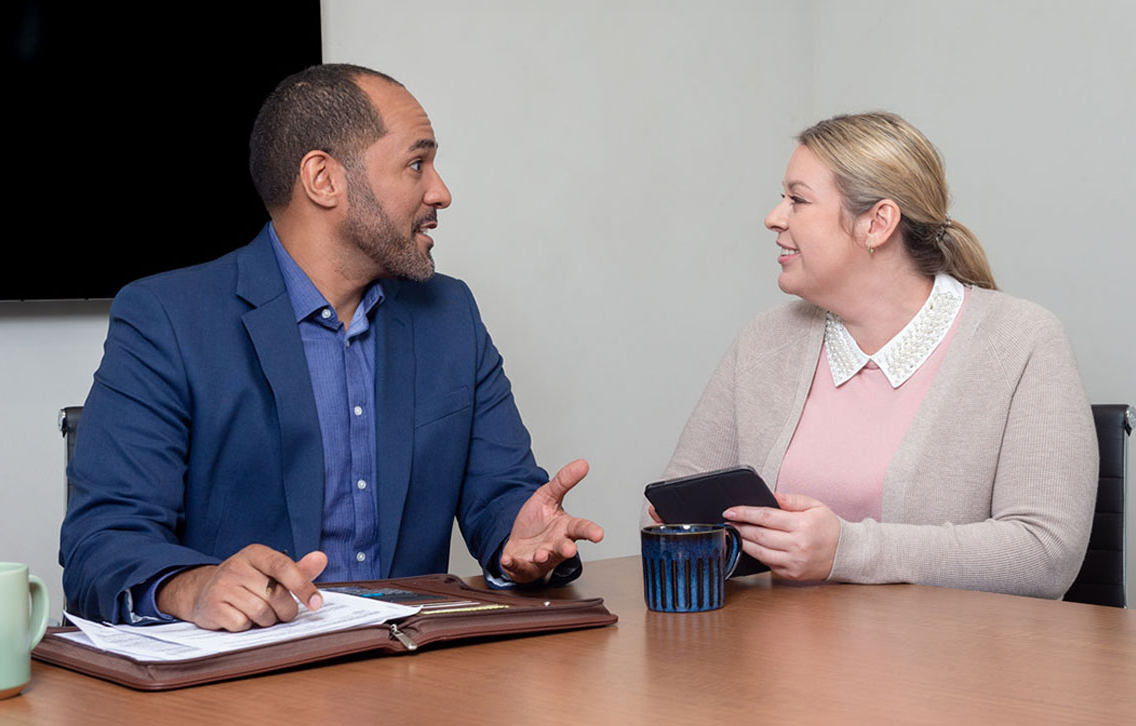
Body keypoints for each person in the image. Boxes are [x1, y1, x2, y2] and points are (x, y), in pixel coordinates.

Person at [60, 64, 604, 630]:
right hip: (245, 696)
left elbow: (503, 500)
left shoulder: (450, 315)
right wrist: (190, 587)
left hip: (410, 685)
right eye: (416, 164)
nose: (441, 192)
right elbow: (100, 544)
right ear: (324, 179)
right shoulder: (168, 319)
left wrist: (523, 544)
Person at [662, 112, 1096, 599]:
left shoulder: (1021, 341)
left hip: (949, 669)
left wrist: (846, 551)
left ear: (878, 222)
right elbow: (666, 511)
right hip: (774, 661)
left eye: (797, 199)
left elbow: (1046, 554)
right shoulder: (765, 340)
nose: (774, 217)